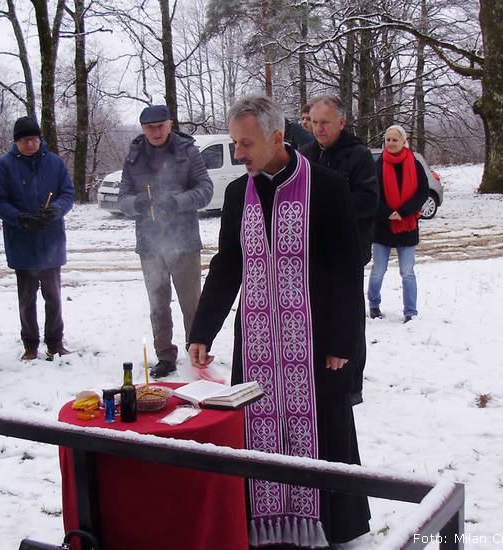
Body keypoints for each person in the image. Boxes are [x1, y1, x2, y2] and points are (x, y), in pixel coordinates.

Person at [187, 95, 370, 547]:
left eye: (246, 143)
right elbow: (229, 263)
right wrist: (202, 328)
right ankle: (264, 524)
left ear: (276, 137)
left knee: (323, 427)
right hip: (258, 341)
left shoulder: (325, 187)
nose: (238, 154)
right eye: (234, 144)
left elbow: (348, 268)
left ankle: (334, 526)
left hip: (317, 339)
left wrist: (342, 342)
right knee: (256, 425)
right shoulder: (237, 193)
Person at [117, 105, 213, 379]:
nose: (155, 131)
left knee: (191, 304)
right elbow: (122, 197)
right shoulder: (134, 157)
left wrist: (177, 202)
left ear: (170, 124)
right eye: (149, 127)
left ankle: (198, 352)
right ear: (143, 128)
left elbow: (205, 189)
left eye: (160, 125)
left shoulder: (188, 152)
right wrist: (137, 203)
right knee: (158, 304)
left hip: (184, 242)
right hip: (149, 244)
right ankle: (164, 356)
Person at [301, 94, 378, 406]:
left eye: (325, 123)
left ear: (341, 122)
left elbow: (369, 201)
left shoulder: (358, 156)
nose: (318, 129)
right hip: (314, 252)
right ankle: (319, 370)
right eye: (314, 122)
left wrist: (330, 205)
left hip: (349, 250)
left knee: (348, 317)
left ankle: (352, 382)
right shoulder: (306, 154)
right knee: (319, 314)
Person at [0, 116, 75, 361]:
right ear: (17, 142)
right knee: (26, 299)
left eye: (34, 139)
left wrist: (56, 210)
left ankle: (55, 342)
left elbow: (68, 193)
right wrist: (21, 218)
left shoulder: (54, 163)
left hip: (51, 241)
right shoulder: (5, 166)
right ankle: (30, 343)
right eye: (25, 140)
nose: (31, 144)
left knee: (54, 297)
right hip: (22, 242)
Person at [367, 124, 429, 323]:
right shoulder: (377, 165)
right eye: (388, 140)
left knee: (407, 272)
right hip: (382, 226)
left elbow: (423, 192)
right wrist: (387, 213)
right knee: (378, 270)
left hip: (407, 225)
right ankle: (374, 305)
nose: (391, 143)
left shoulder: (415, 163)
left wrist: (403, 212)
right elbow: (372, 193)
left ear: (404, 142)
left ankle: (410, 311)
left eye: (395, 139)